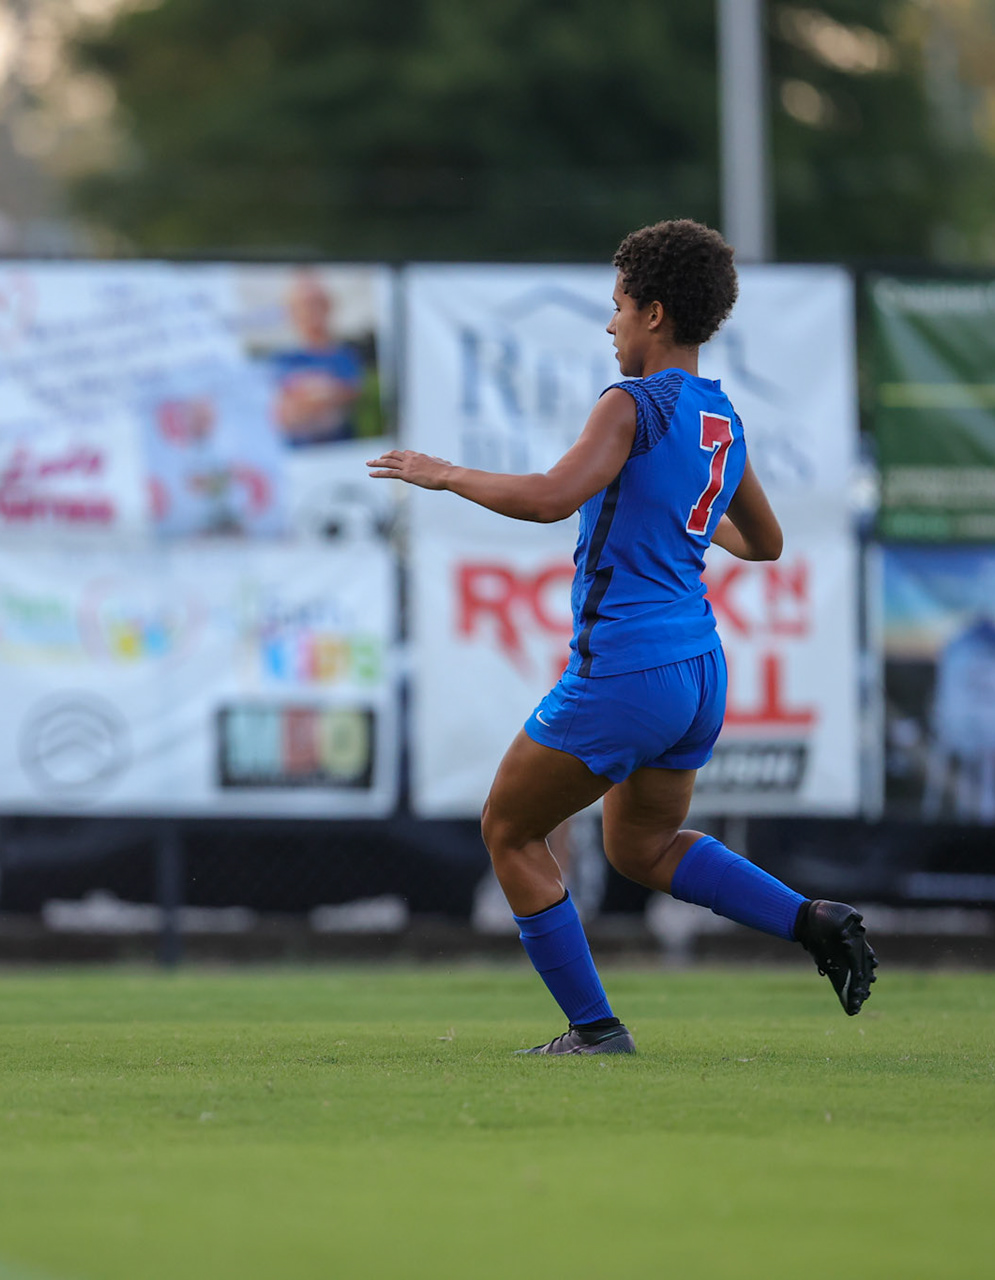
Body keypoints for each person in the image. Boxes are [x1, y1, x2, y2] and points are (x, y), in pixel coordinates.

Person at [368, 219, 875, 1055]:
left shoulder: (631, 402)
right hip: (700, 671)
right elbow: (766, 541)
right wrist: (684, 524)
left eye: (617, 307)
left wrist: (443, 472)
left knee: (507, 828)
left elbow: (549, 497)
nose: (610, 325)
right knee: (641, 847)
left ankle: (595, 1029)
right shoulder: (720, 416)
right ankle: (813, 920)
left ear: (654, 313)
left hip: (629, 670)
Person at [270, 270, 366, 446]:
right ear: (292, 313)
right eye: (304, 306)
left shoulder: (344, 354)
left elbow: (350, 394)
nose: (311, 312)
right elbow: (280, 412)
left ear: (328, 307)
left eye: (316, 305)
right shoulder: (283, 359)